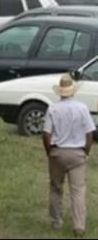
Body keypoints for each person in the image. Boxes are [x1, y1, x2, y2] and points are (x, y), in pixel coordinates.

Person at [43, 74, 95, 237]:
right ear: (72, 92)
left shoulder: (53, 108)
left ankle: (57, 220)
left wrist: (49, 152)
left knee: (56, 187)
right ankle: (79, 225)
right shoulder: (82, 108)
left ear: (60, 92)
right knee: (78, 190)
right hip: (77, 152)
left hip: (57, 152)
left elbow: (46, 134)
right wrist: (85, 151)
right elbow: (90, 133)